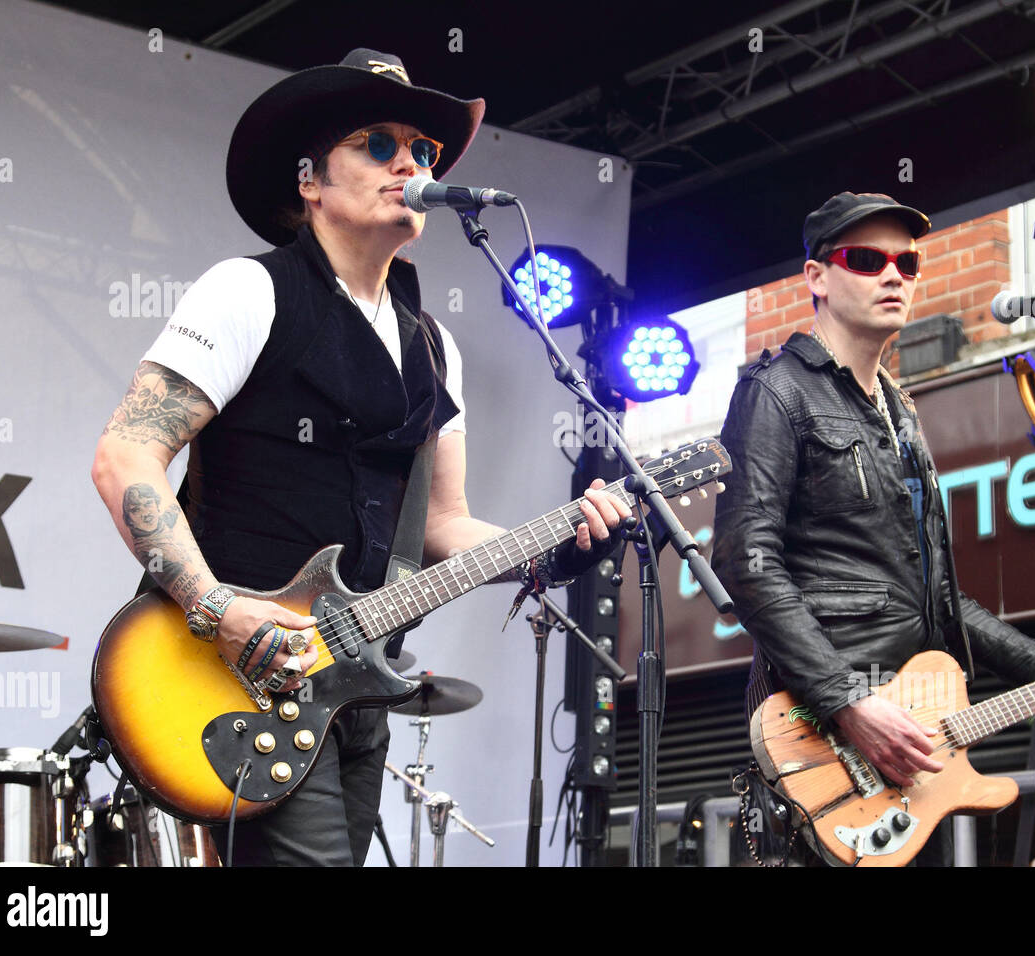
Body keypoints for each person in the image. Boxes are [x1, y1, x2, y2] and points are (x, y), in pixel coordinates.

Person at [90, 50, 630, 866]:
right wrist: (218, 610)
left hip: (352, 687)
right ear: (310, 179)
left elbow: (443, 525)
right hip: (237, 673)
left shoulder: (432, 345)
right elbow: (125, 454)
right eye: (378, 142)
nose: (411, 161)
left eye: (424, 149)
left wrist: (560, 545)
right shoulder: (250, 291)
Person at [710, 192, 1035, 864]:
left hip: (916, 744)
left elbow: (945, 605)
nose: (893, 275)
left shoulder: (902, 414)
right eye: (866, 259)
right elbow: (747, 560)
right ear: (816, 278)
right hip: (826, 745)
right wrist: (849, 702)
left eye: (908, 263)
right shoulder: (776, 391)